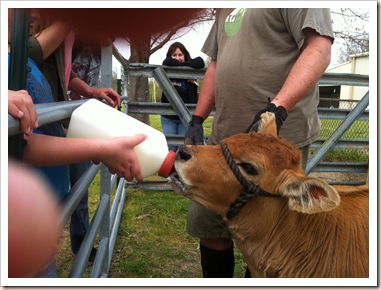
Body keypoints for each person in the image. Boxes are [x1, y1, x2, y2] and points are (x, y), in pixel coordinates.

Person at [184, 8, 334, 278]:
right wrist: (197, 118)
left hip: (276, 144)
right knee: (209, 225)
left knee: (272, 235)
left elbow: (319, 48)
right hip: (224, 140)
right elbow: (216, 65)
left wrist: (278, 108)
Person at [161, 42, 204, 152]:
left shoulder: (192, 71)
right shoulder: (168, 68)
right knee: (170, 147)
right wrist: (188, 68)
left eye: (180, 55)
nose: (177, 58)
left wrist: (189, 73)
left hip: (185, 117)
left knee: (183, 147)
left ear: (185, 55)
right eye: (174, 55)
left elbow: (200, 61)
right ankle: (170, 169)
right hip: (168, 117)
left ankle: (179, 169)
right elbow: (166, 61)